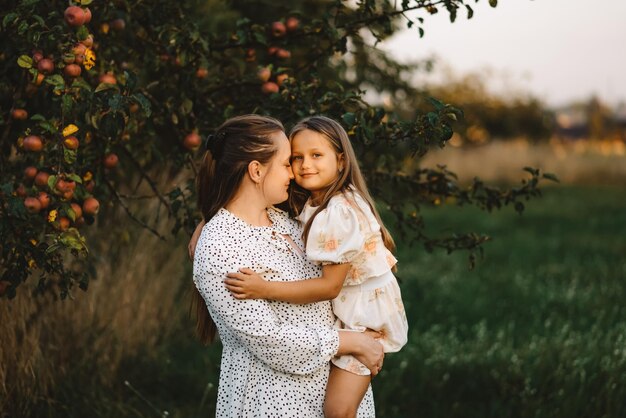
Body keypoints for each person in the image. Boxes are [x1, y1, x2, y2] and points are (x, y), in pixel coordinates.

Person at [190, 114, 382, 418]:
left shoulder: (289, 220)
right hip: (274, 401)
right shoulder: (220, 245)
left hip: (331, 395)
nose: (294, 173)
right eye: (286, 163)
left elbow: (327, 167)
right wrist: (353, 342)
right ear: (256, 170)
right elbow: (270, 340)